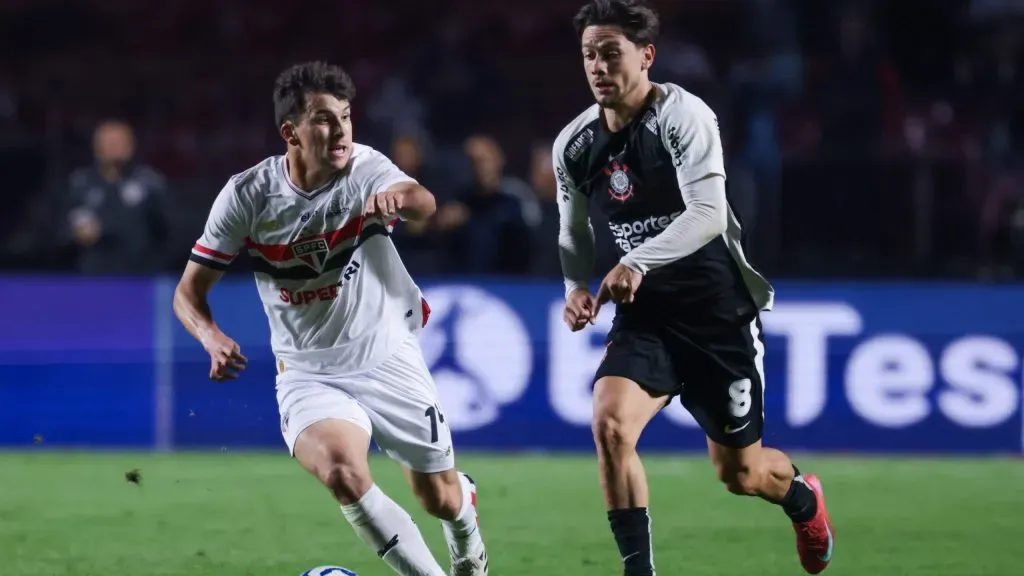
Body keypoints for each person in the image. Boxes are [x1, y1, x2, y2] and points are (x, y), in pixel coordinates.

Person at [172, 61, 488, 576]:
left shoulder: (366, 168)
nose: (340, 129)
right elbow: (188, 293)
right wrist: (209, 336)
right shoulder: (248, 196)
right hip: (307, 370)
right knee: (344, 473)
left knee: (440, 498)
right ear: (290, 133)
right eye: (323, 119)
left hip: (386, 355)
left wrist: (401, 200)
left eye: (345, 115)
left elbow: (424, 202)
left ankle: (465, 523)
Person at [552, 2, 835, 575]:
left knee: (741, 474)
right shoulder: (575, 145)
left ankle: (803, 498)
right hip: (647, 316)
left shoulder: (683, 116)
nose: (599, 67)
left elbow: (707, 214)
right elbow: (573, 227)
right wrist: (574, 284)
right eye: (589, 55)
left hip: (716, 313)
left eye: (612, 53)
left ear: (646, 56)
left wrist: (637, 260)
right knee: (609, 422)